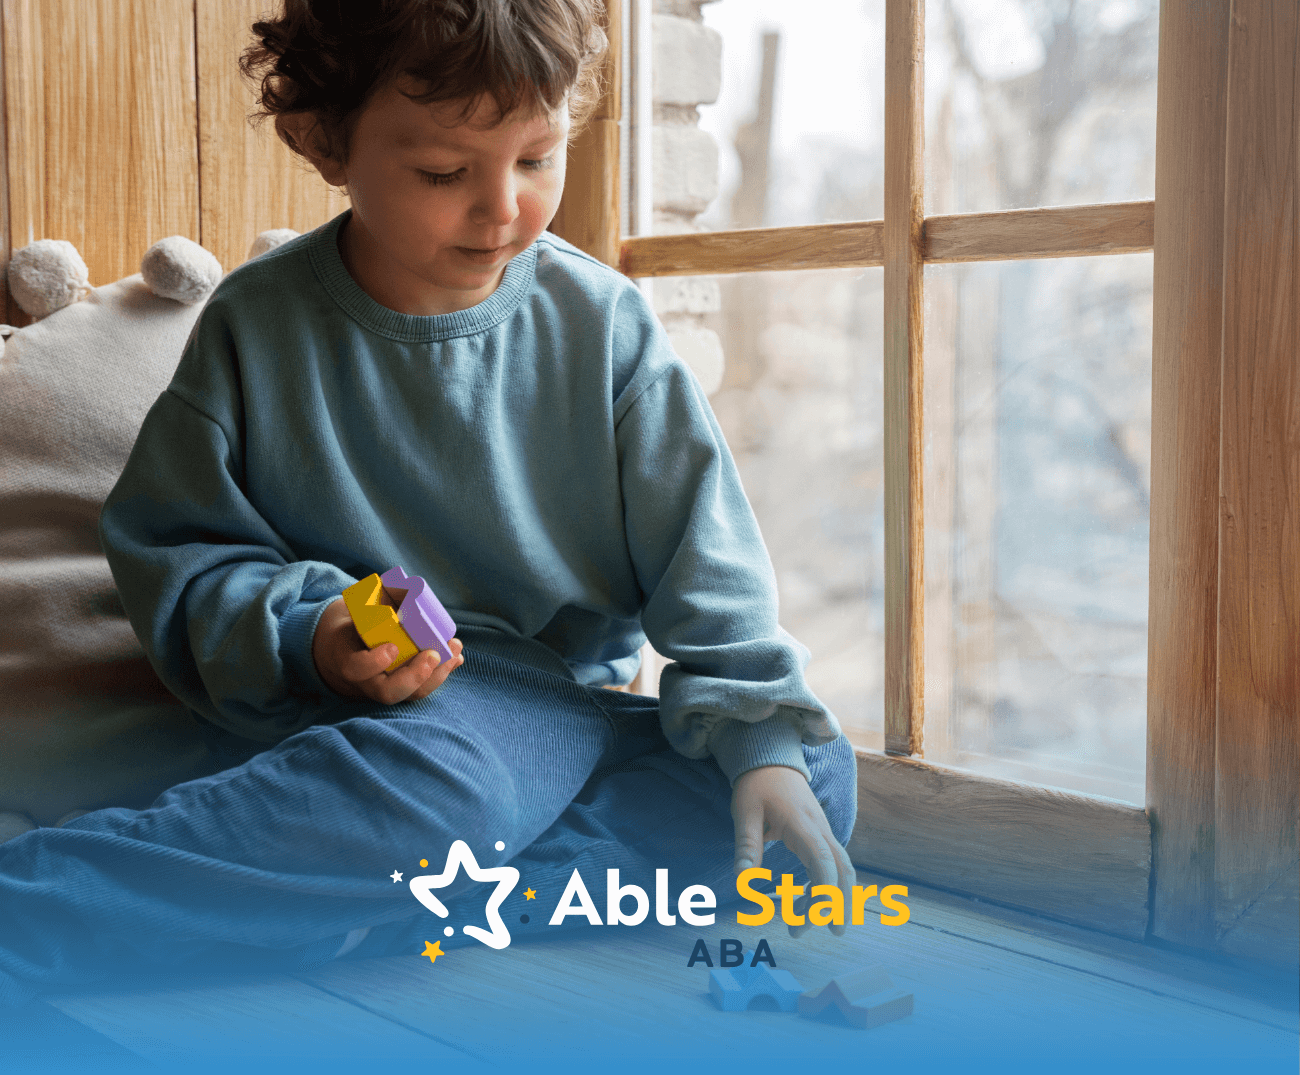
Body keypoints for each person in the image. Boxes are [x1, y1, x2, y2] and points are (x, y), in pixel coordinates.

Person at [0, 0, 856, 1007]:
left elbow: (704, 556)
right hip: (361, 730)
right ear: (325, 143)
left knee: (813, 775)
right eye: (447, 172)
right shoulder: (257, 324)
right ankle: (40, 912)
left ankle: (356, 903)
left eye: (537, 158)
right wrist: (313, 630)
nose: (503, 208)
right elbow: (182, 560)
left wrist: (758, 739)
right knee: (449, 790)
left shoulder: (605, 325)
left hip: (560, 711)